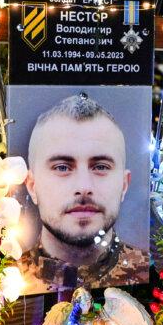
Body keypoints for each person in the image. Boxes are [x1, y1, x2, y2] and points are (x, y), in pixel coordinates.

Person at [17, 93, 149, 293]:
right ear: (32, 186)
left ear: (124, 185)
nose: (84, 186)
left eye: (101, 167)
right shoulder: (0, 288)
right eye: (62, 167)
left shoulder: (156, 277)